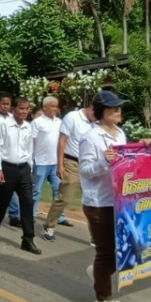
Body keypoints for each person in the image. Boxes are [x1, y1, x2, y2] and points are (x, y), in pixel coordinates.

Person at [79, 90, 131, 302]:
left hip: (119, 200)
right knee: (105, 252)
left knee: (124, 249)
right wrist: (103, 161)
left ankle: (99, 274)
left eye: (119, 107)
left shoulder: (120, 133)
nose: (118, 111)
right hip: (98, 202)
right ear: (102, 112)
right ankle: (103, 299)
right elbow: (86, 171)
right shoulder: (91, 138)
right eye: (113, 108)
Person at [0, 98, 40, 254]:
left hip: (24, 169)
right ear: (13, 109)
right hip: (7, 168)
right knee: (2, 201)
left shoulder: (28, 127)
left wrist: (30, 168)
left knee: (27, 202)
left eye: (26, 109)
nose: (24, 112)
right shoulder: (3, 125)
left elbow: (30, 149)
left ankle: (28, 239)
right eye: (21, 108)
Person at [49, 96, 96, 244]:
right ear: (92, 108)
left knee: (93, 201)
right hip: (72, 162)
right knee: (65, 197)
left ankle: (95, 236)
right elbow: (62, 141)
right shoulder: (73, 117)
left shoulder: (99, 122)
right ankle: (49, 226)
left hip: (90, 164)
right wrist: (60, 164)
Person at [32, 96, 67, 241]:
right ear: (45, 107)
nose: (55, 109)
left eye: (56, 106)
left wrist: (62, 162)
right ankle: (31, 214)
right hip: (40, 161)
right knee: (36, 190)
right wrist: (31, 161)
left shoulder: (60, 122)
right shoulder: (37, 122)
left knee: (59, 190)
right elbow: (32, 141)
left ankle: (59, 216)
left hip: (56, 162)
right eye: (52, 106)